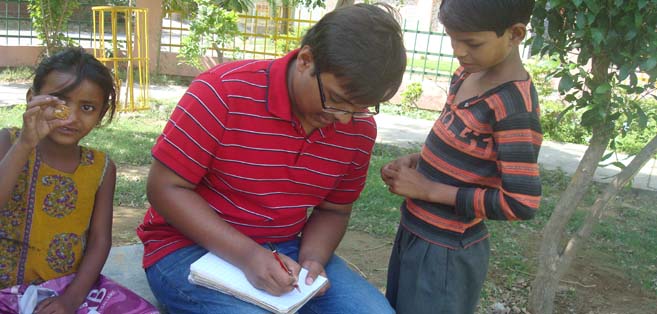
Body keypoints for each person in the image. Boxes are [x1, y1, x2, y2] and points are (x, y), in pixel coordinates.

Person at [137, 3, 406, 314]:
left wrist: (313, 260)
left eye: (359, 108)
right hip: (186, 248)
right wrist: (249, 256)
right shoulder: (222, 92)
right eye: (336, 100)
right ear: (306, 60)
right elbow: (164, 188)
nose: (344, 120)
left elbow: (334, 210)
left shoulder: (358, 128)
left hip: (284, 249)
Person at [381, 1, 542, 313]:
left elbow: (522, 202)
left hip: (446, 254)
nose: (459, 50)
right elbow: (462, 145)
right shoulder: (467, 75)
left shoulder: (513, 109)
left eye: (472, 42)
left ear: (515, 34)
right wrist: (416, 162)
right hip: (415, 234)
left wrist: (428, 190)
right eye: (452, 38)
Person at [0, 48, 157, 314]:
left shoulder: (101, 168)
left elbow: (99, 242)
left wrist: (71, 299)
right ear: (32, 98)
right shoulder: (9, 142)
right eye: (59, 103)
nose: (72, 118)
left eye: (86, 107)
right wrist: (26, 143)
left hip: (66, 289)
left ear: (101, 112)